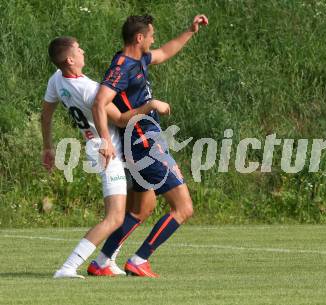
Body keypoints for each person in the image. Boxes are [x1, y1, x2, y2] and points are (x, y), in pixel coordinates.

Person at [41, 36, 170, 278]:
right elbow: (121, 119)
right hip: (108, 153)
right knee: (114, 217)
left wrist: (47, 146)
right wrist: (150, 105)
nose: (83, 51)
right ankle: (68, 267)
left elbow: (46, 113)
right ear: (70, 59)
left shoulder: (57, 80)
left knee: (141, 204)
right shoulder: (89, 90)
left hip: (104, 148)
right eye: (79, 49)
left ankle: (107, 260)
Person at [91, 13, 208, 277]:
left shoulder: (139, 58)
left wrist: (190, 30)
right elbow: (99, 102)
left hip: (143, 141)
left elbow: (166, 52)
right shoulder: (122, 67)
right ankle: (139, 259)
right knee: (184, 208)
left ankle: (101, 261)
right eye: (151, 35)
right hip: (144, 143)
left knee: (142, 208)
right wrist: (105, 141)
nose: (155, 39)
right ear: (139, 37)